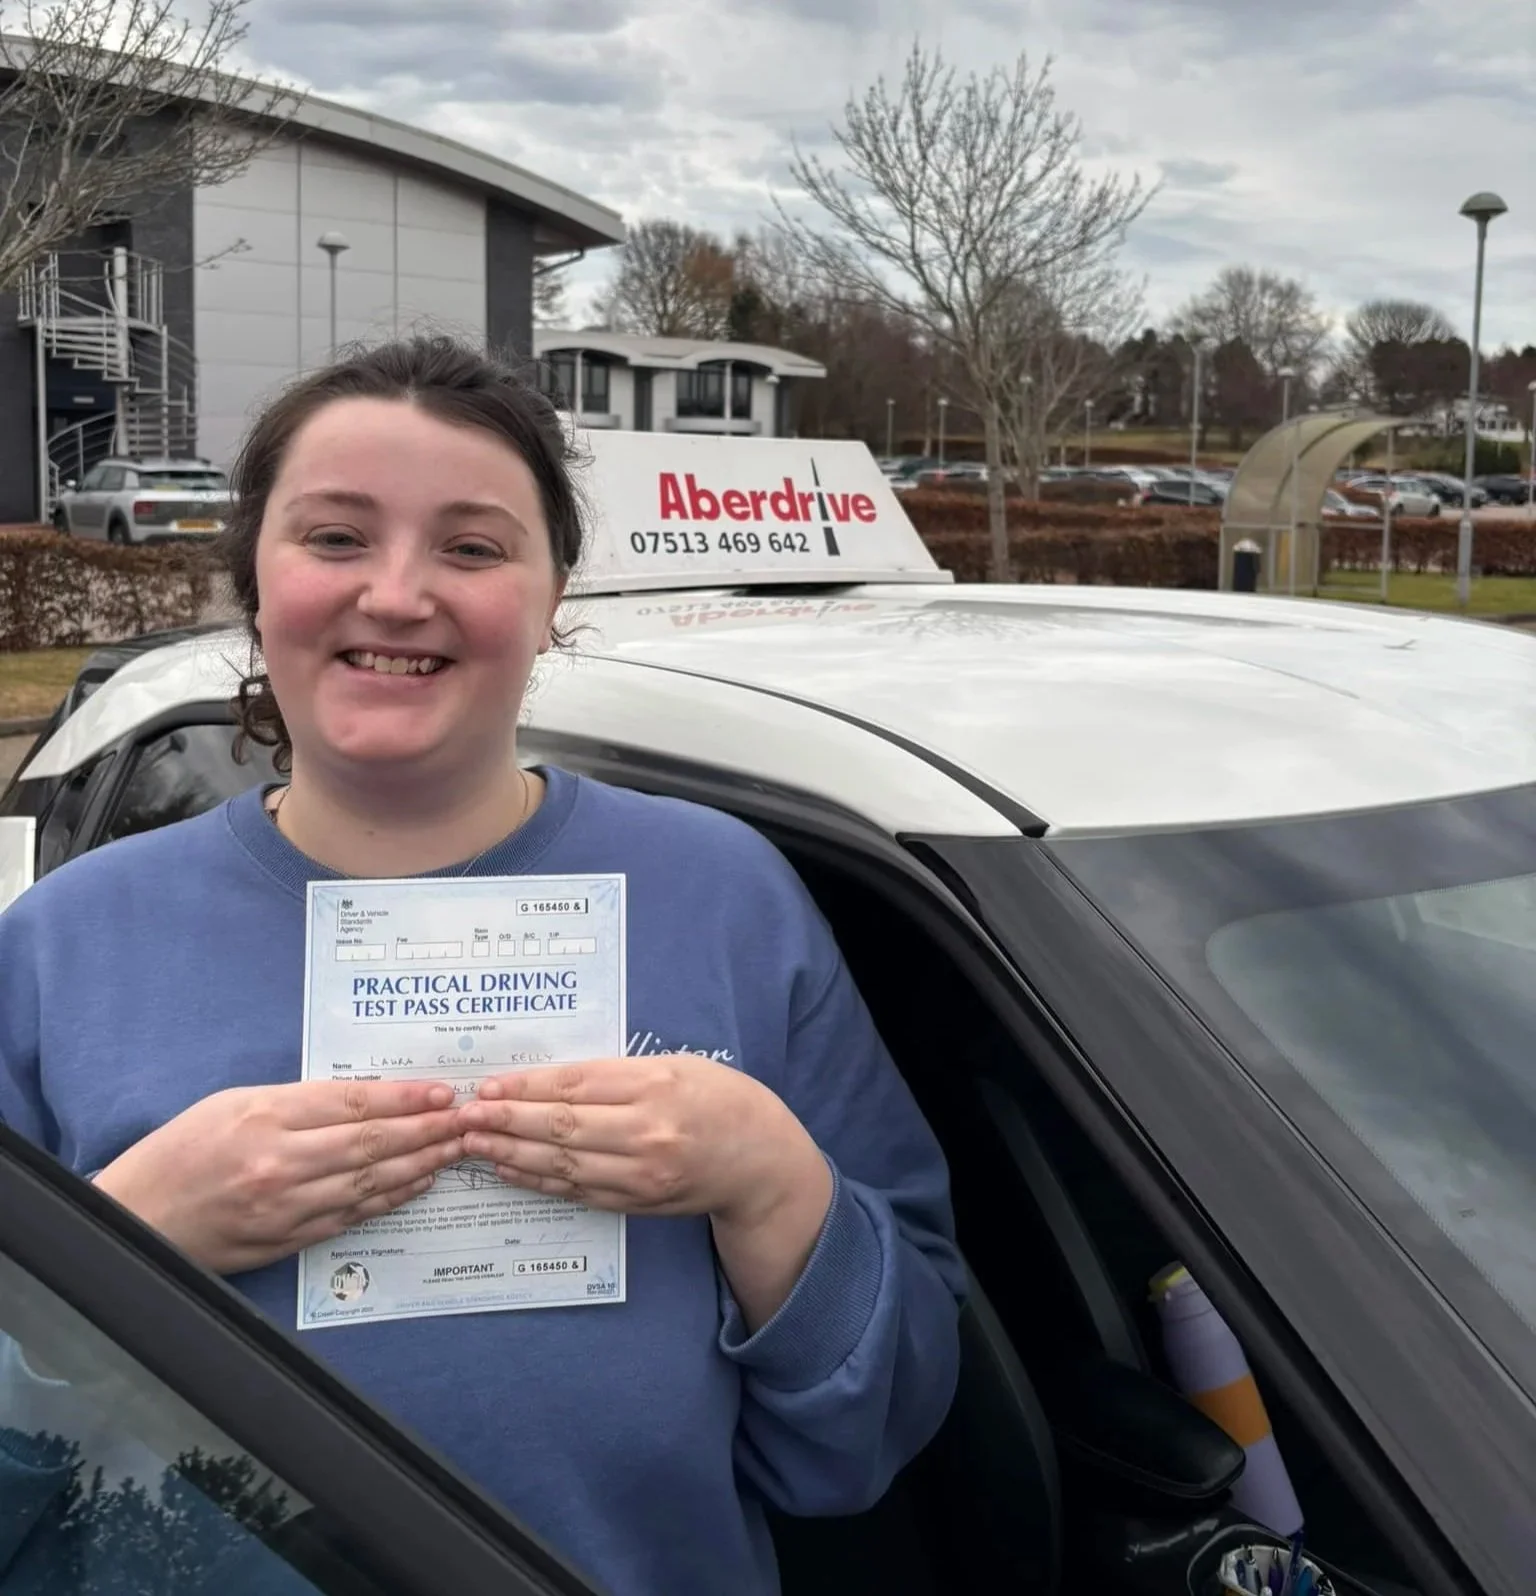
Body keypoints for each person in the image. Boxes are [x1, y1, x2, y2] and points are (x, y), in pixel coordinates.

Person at [0, 337, 965, 1595]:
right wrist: (118, 1252)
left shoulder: (727, 898)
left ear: (553, 594)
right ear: (253, 579)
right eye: (336, 538)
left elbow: (889, 1426)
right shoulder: (67, 940)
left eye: (471, 547)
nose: (398, 595)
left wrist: (770, 1182)